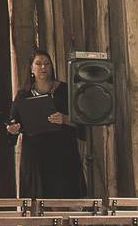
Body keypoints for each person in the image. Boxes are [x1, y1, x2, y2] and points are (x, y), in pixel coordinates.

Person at [7, 50, 86, 199]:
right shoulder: (23, 95)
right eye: (38, 64)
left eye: (47, 64)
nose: (43, 67)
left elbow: (83, 122)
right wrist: (13, 129)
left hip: (62, 155)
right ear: (31, 69)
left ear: (51, 67)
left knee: (65, 202)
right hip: (35, 158)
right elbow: (14, 122)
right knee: (39, 203)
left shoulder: (65, 91)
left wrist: (65, 119)